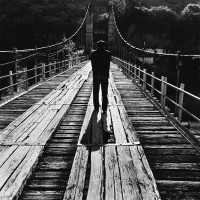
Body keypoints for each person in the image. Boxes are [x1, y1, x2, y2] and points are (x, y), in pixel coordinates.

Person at [90, 40, 111, 112]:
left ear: (97, 45)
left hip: (96, 75)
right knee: (105, 92)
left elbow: (93, 66)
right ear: (104, 46)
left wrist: (97, 74)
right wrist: (106, 75)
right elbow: (107, 66)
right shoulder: (108, 53)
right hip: (104, 76)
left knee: (96, 92)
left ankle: (96, 107)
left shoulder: (93, 53)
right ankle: (104, 108)